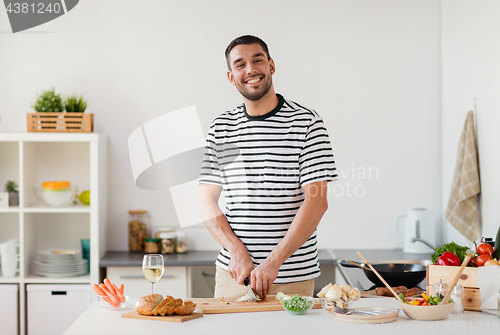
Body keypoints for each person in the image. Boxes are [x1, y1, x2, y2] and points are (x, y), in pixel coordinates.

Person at [198, 35, 337, 300]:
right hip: (234, 277)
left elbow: (317, 202)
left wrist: (273, 262)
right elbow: (206, 200)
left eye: (257, 60)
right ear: (231, 77)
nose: (250, 69)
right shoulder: (222, 127)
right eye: (240, 64)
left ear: (271, 65)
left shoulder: (306, 123)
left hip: (292, 278)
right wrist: (238, 253)